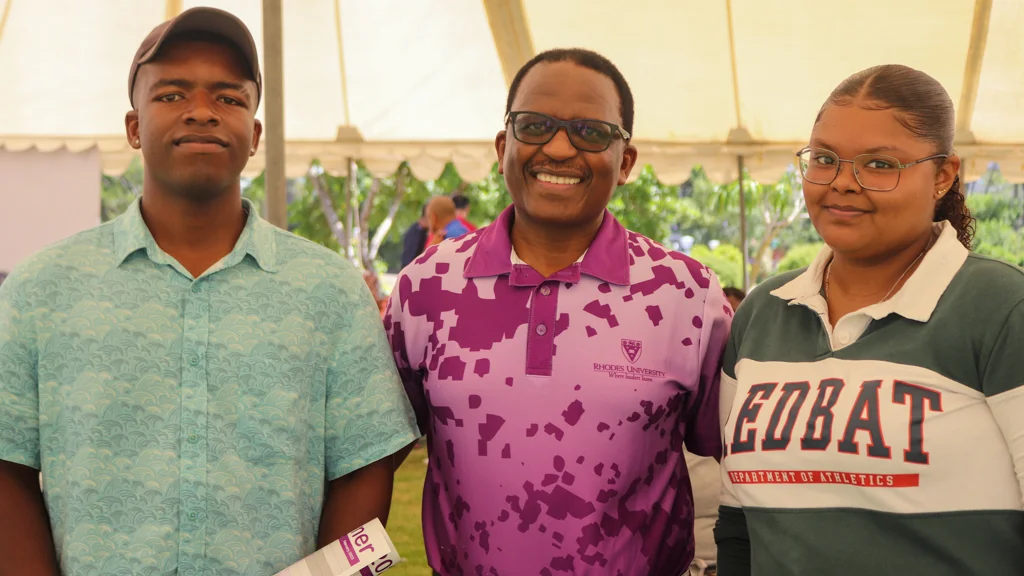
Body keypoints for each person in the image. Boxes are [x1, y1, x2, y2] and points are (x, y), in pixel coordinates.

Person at [0, 8, 418, 575]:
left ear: (255, 134)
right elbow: (8, 466)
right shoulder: (41, 289)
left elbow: (366, 462)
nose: (201, 111)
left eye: (229, 98)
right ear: (133, 127)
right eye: (171, 95)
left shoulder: (327, 292)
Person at [386, 48, 731, 576]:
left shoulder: (686, 295)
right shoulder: (426, 288)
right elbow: (372, 456)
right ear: (504, 146)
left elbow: (736, 459)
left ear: (627, 163)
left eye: (591, 132)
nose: (560, 147)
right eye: (535, 126)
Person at [715, 65, 1024, 576]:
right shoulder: (762, 312)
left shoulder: (1001, 308)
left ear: (944, 175)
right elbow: (738, 525)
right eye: (825, 159)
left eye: (879, 164)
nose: (842, 183)